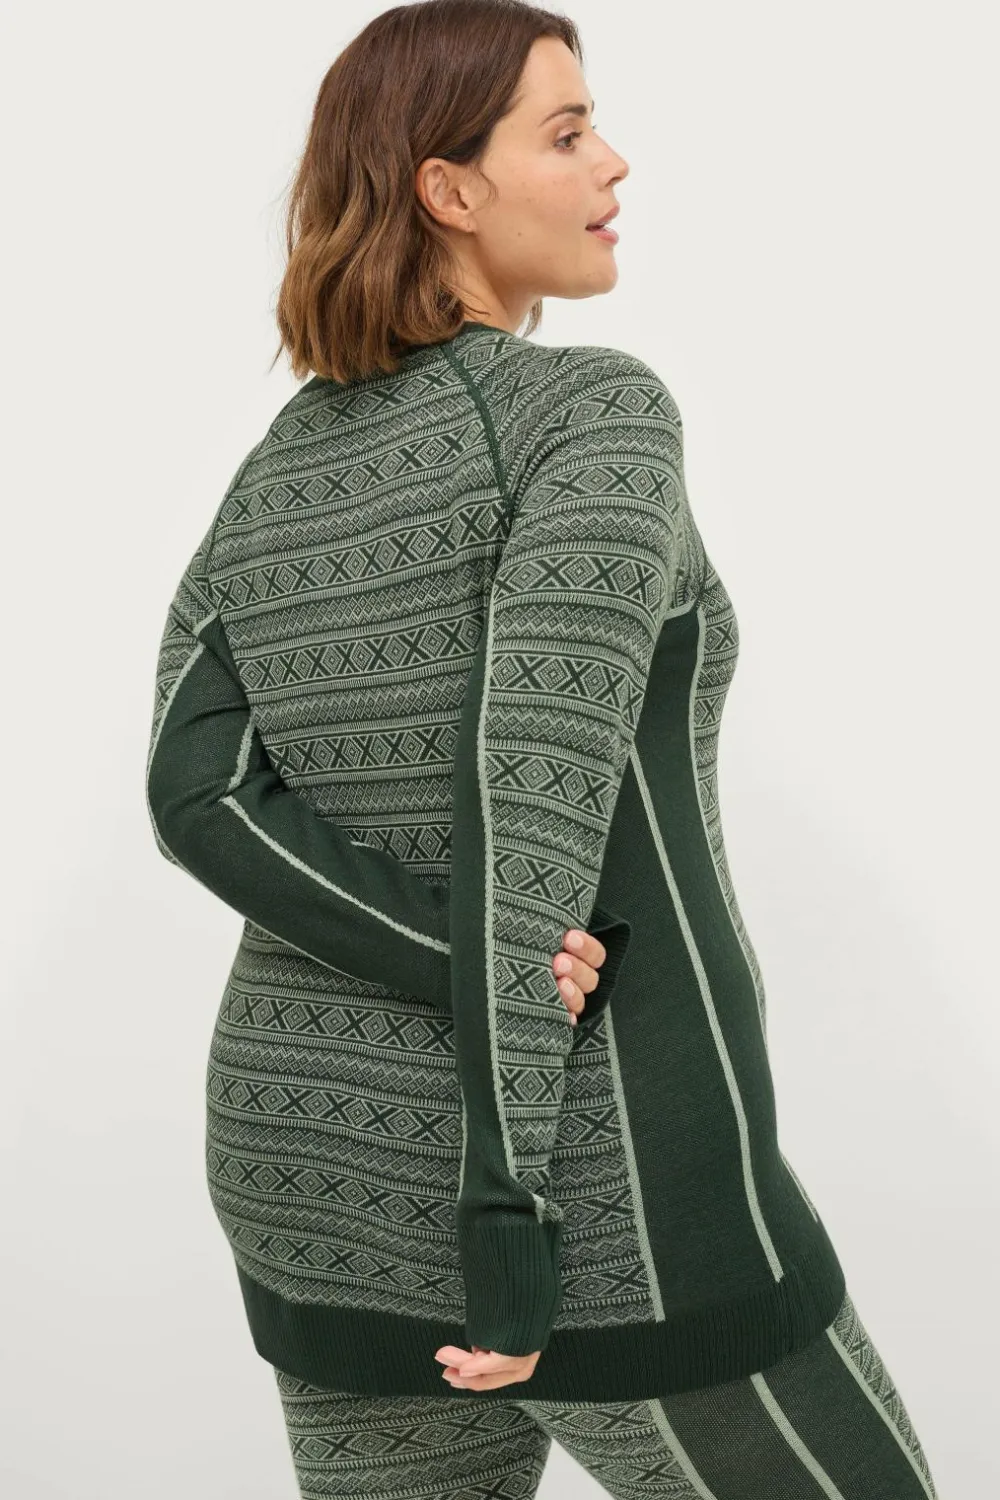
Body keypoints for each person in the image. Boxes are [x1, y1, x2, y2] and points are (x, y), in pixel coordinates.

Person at [144, 3, 942, 1496]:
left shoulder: (273, 474)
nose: (614, 162)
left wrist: (437, 948)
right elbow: (533, 798)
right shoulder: (593, 417)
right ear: (448, 188)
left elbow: (197, 795)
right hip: (596, 1181)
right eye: (567, 133)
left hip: (312, 1170)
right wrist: (505, 1223)